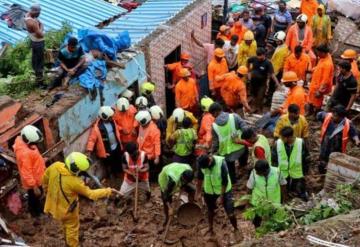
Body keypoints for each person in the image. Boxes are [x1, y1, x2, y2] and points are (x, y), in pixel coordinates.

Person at [42, 152, 116, 247]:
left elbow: (44, 179)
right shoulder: (74, 182)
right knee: (72, 228)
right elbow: (91, 194)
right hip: (68, 211)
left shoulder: (55, 166)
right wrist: (108, 191)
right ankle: (73, 245)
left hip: (53, 206)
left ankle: (67, 241)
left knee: (65, 226)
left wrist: (47, 192)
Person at [196, 155, 242, 241]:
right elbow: (199, 178)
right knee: (210, 211)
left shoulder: (221, 163)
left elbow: (225, 181)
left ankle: (236, 229)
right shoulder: (201, 163)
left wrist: (221, 197)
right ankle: (210, 228)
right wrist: (198, 192)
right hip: (209, 191)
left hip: (224, 191)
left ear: (210, 160)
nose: (206, 169)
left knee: (230, 213)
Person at [210, 102, 248, 183]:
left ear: (216, 112)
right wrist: (248, 140)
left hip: (227, 153)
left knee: (230, 169)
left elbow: (215, 143)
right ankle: (244, 168)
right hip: (241, 147)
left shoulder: (214, 126)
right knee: (245, 154)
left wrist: (212, 152)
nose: (213, 116)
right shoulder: (234, 116)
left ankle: (233, 181)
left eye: (212, 114)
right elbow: (245, 128)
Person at [13, 125, 46, 218]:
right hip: (33, 182)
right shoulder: (24, 154)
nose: (36, 144)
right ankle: (37, 214)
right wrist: (34, 186)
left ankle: (37, 211)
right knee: (34, 198)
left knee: (36, 196)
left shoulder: (23, 142)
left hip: (36, 177)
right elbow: (27, 172)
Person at [317, 105, 360, 174]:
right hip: (325, 144)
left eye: (335, 115)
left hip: (337, 148)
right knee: (322, 160)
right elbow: (319, 115)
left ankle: (329, 175)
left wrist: (357, 140)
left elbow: (354, 133)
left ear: (341, 117)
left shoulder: (347, 124)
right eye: (333, 114)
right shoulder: (328, 117)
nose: (333, 116)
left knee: (334, 163)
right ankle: (321, 175)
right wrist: (320, 115)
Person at [272, 127, 309, 201]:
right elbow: (274, 159)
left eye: (282, 138)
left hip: (297, 172)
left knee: (300, 190)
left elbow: (306, 158)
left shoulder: (301, 143)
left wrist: (305, 171)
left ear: (288, 137)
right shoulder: (278, 143)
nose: (281, 139)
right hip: (283, 172)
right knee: (284, 190)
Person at [246, 160, 287, 226]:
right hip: (258, 202)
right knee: (257, 219)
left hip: (273, 202)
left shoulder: (277, 172)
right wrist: (248, 202)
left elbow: (283, 185)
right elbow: (249, 188)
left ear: (265, 171)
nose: (256, 173)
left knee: (273, 219)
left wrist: (284, 199)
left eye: (258, 172)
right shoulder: (253, 173)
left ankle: (272, 232)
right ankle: (257, 230)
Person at [86, 106, 122, 177]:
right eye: (110, 117)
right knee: (109, 164)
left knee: (118, 160)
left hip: (116, 146)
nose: (112, 118)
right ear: (105, 117)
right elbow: (92, 140)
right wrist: (89, 150)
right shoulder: (97, 128)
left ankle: (119, 173)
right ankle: (111, 176)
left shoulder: (112, 122)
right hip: (107, 151)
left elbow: (116, 129)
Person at [247, 48, 280, 113]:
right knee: (253, 96)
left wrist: (277, 83)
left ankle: (260, 110)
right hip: (253, 82)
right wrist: (248, 72)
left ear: (264, 55)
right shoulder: (254, 59)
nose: (259, 57)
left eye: (260, 55)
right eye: (258, 55)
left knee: (260, 97)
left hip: (262, 84)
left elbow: (272, 74)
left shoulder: (268, 63)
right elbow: (248, 61)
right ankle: (254, 108)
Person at [135, 110, 161, 181]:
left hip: (150, 155)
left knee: (151, 169)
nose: (140, 124)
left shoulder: (154, 130)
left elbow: (157, 144)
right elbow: (140, 135)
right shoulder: (142, 125)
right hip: (142, 152)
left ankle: (152, 180)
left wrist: (157, 157)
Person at [308, 45, 334, 113]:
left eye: (318, 53)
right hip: (314, 83)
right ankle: (310, 112)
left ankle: (315, 114)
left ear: (323, 53)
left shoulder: (328, 64)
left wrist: (320, 91)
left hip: (319, 86)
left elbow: (326, 80)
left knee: (317, 101)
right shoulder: (322, 58)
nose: (317, 55)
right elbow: (318, 67)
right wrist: (312, 70)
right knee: (310, 98)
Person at [25, 4, 45, 88]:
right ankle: (40, 83)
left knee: (36, 61)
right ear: (34, 11)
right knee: (39, 63)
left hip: (34, 42)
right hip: (38, 43)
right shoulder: (32, 22)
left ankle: (38, 80)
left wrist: (38, 24)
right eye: (38, 13)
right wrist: (42, 27)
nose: (39, 15)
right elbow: (40, 35)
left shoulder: (28, 15)